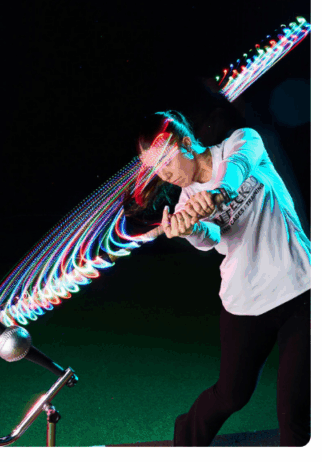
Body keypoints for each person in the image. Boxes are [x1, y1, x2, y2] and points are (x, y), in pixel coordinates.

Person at [133, 110, 310, 446]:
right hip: (244, 303)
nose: (164, 174)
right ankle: (186, 441)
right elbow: (211, 238)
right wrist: (191, 229)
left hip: (301, 290)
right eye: (155, 168)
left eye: (166, 160)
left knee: (294, 412)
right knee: (231, 396)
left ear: (186, 142)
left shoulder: (242, 141)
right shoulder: (186, 201)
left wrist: (217, 194)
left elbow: (238, 168)